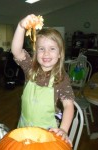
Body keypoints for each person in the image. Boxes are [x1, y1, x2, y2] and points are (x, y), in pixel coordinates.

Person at [11, 14, 74, 146]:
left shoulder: (61, 78)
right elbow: (16, 51)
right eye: (41, 49)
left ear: (59, 54)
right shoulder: (30, 68)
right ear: (35, 52)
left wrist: (63, 129)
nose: (46, 53)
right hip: (24, 130)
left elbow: (68, 105)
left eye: (52, 49)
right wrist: (21, 26)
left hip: (47, 136)